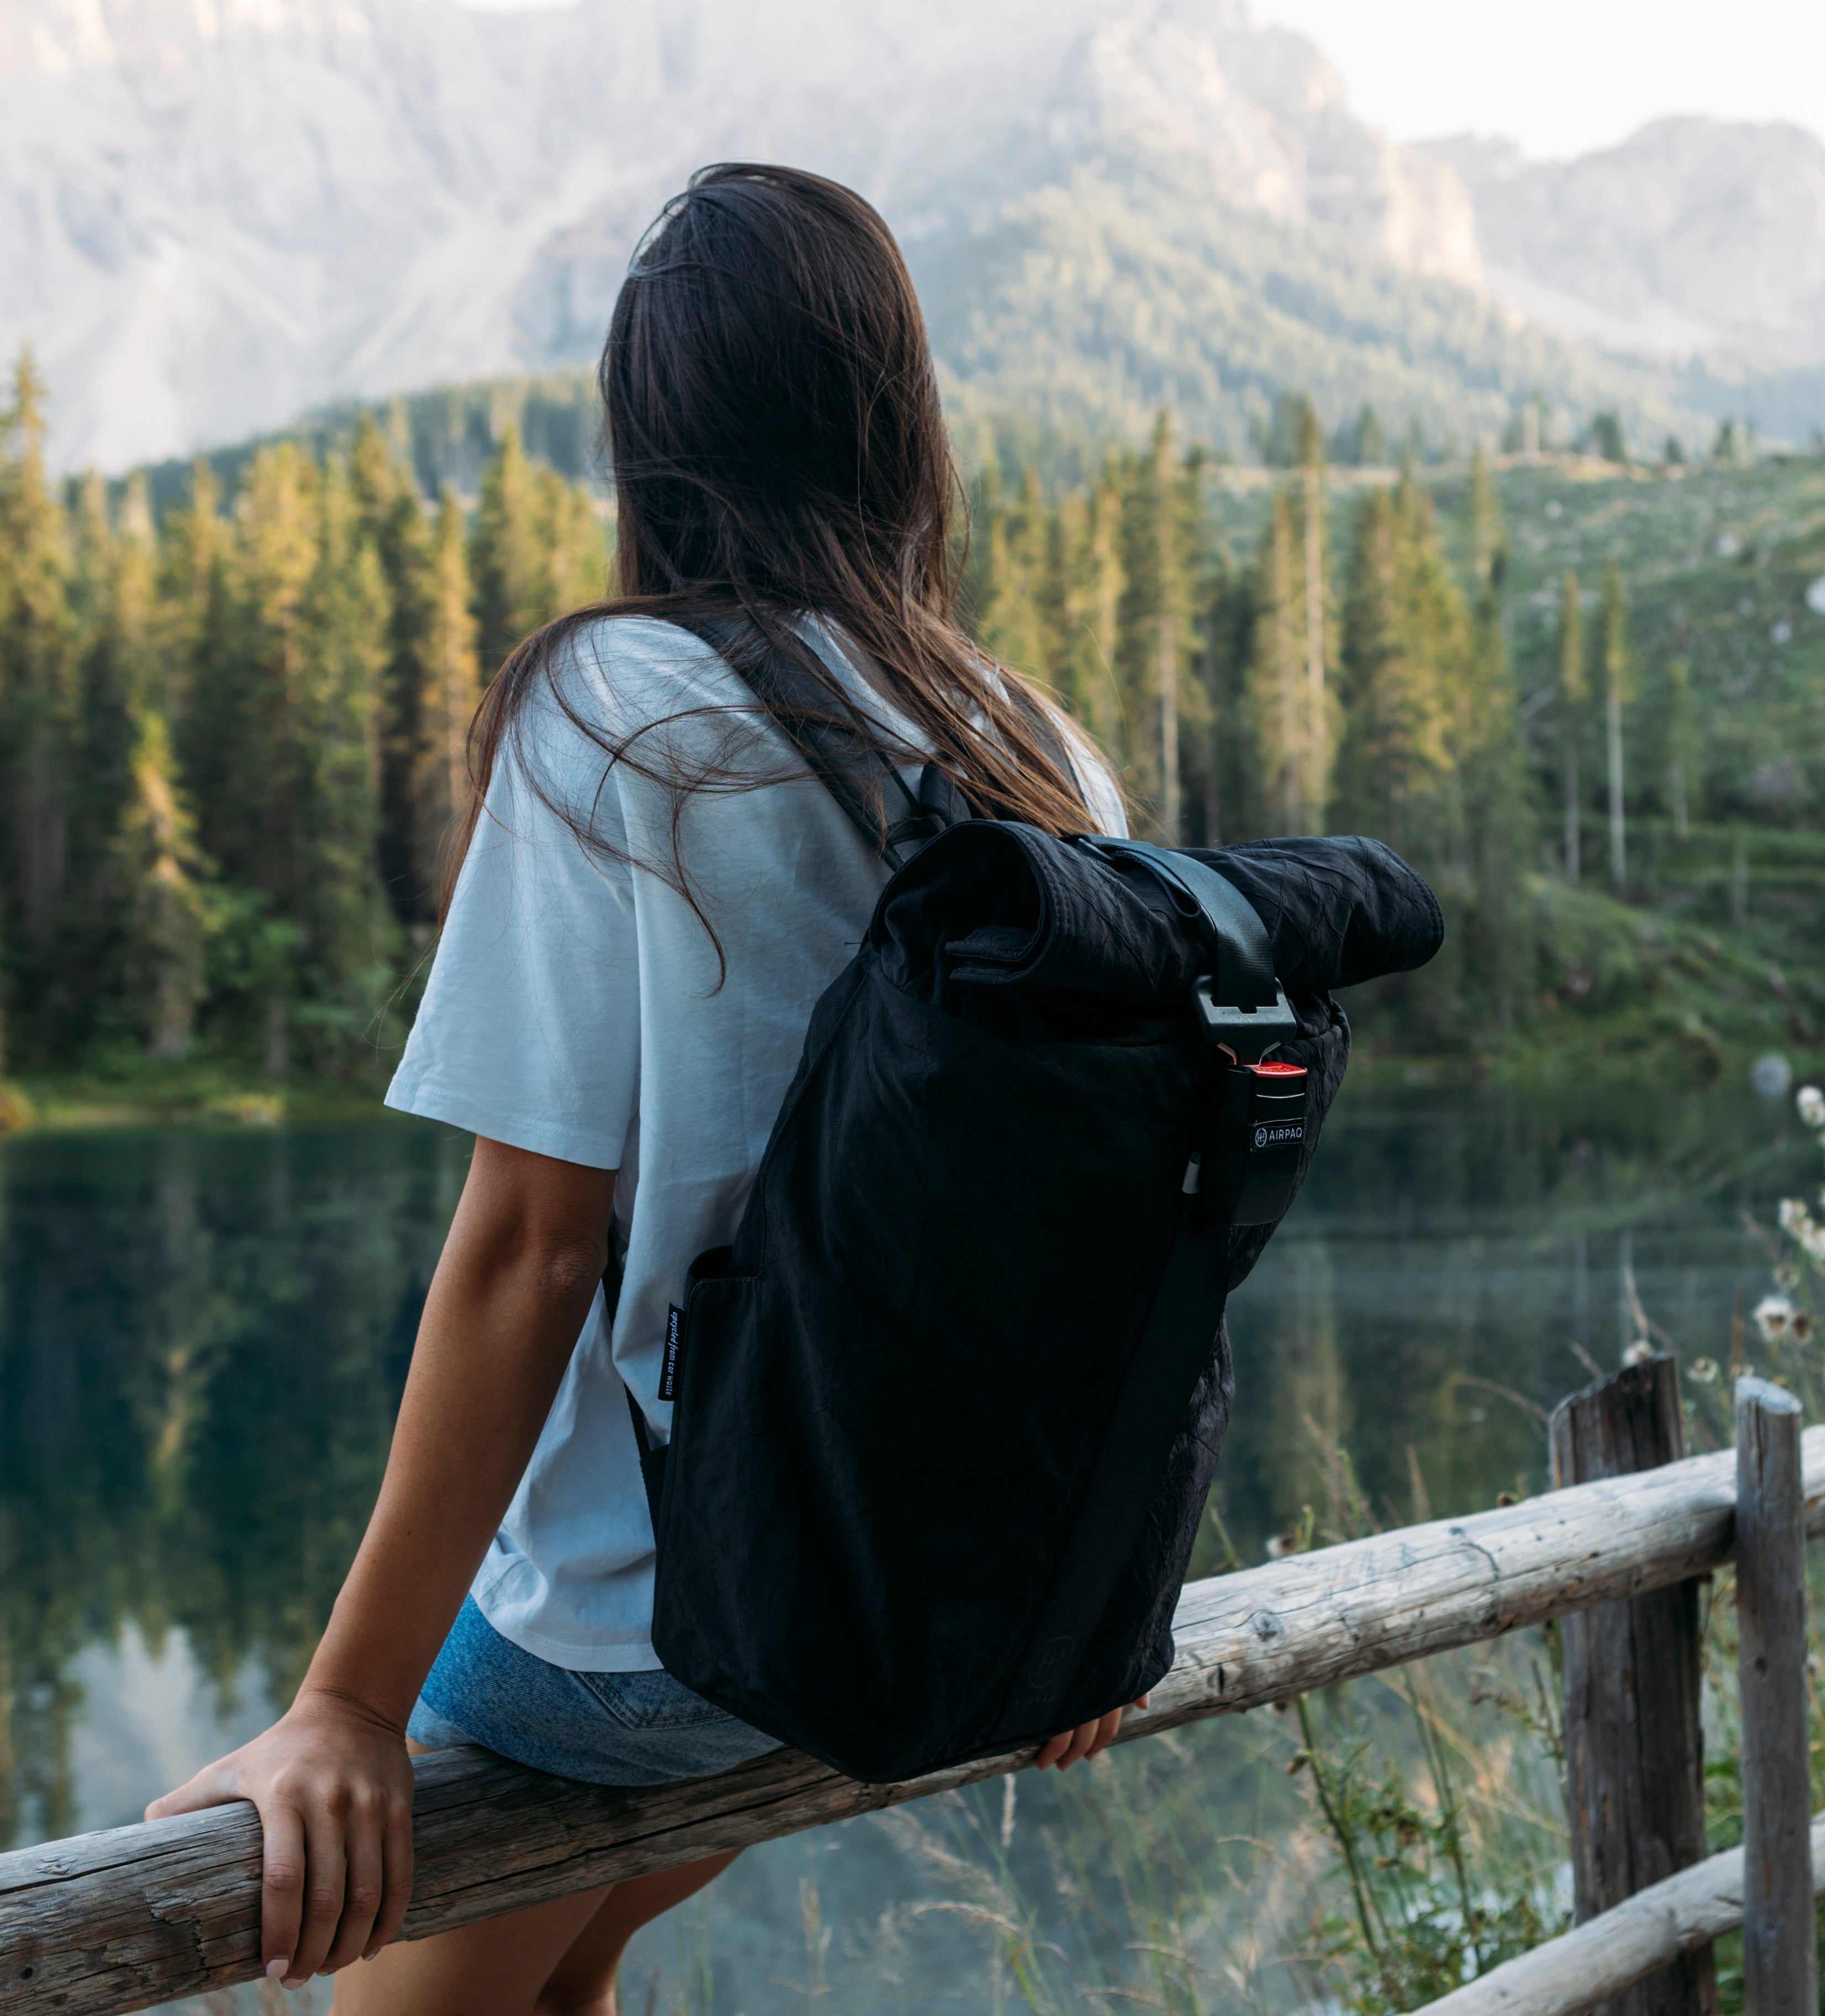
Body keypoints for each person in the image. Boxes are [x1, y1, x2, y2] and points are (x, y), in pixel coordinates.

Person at [145, 163, 1140, 2015]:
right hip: (901, 1609)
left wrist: (350, 1704)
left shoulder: (620, 706)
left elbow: (528, 1247)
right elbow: (1110, 1221)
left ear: (654, 437)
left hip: (647, 1638)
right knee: (564, 1973)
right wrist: (1083, 1588)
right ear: (897, 420)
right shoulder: (1033, 742)